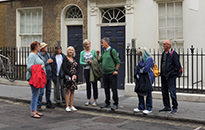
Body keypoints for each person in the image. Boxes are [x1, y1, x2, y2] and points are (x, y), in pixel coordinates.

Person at [97, 37, 120, 111]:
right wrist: (98, 54)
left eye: (102, 43)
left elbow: (118, 61)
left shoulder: (112, 51)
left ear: (106, 43)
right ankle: (107, 102)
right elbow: (99, 60)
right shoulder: (104, 52)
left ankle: (115, 103)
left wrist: (116, 70)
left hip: (112, 73)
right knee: (106, 89)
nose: (101, 44)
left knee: (113, 89)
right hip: (105, 74)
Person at [159, 40, 181, 114]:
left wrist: (171, 73)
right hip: (163, 76)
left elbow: (177, 66)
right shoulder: (163, 54)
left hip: (171, 77)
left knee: (172, 92)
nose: (163, 46)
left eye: (164, 44)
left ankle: (175, 107)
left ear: (169, 45)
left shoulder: (173, 54)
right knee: (164, 92)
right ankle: (167, 106)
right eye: (163, 44)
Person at [26, 41, 45, 118]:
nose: (40, 48)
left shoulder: (36, 55)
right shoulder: (32, 55)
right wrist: (40, 67)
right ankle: (33, 112)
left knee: (37, 94)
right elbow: (29, 67)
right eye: (39, 46)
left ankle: (35, 110)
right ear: (35, 47)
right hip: (33, 78)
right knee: (35, 94)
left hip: (37, 78)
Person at [133, 48, 154, 115]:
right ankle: (141, 106)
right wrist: (139, 71)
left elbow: (146, 69)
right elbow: (138, 68)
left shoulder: (149, 59)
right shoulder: (141, 60)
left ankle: (149, 108)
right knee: (139, 91)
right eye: (139, 53)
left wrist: (140, 70)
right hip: (141, 78)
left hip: (148, 77)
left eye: (141, 53)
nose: (140, 55)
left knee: (148, 92)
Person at [80, 39, 98, 106]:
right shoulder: (82, 52)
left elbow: (96, 60)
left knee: (94, 85)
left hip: (93, 70)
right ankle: (88, 99)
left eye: (88, 44)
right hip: (86, 70)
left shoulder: (93, 52)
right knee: (88, 85)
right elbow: (80, 62)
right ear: (84, 45)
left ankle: (95, 100)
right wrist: (86, 63)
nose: (87, 45)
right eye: (86, 44)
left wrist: (92, 62)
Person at [37, 42, 55, 110]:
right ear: (42, 48)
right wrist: (47, 62)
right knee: (41, 91)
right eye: (45, 47)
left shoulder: (47, 54)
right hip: (43, 75)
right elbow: (41, 65)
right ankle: (39, 104)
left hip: (49, 74)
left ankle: (48, 103)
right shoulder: (39, 55)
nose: (47, 48)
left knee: (48, 90)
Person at [62, 46, 78, 112]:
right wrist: (71, 75)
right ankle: (67, 106)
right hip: (68, 77)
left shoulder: (74, 58)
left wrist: (75, 75)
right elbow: (65, 69)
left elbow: (77, 68)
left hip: (74, 77)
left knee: (72, 91)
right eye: (69, 50)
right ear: (67, 51)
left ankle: (71, 105)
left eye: (71, 50)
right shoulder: (65, 58)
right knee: (67, 91)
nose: (70, 51)